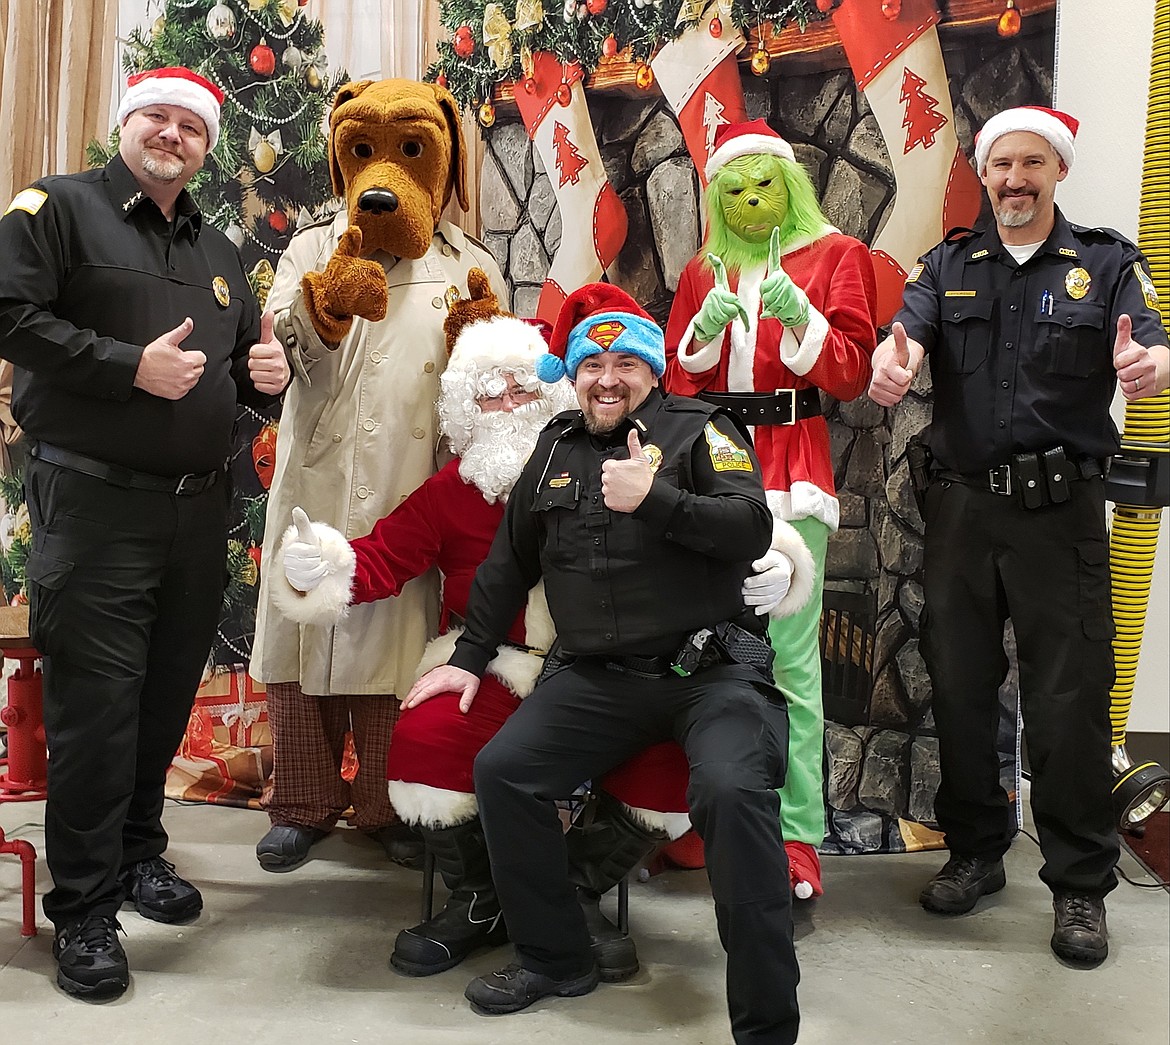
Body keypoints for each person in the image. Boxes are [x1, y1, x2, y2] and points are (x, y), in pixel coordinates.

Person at [273, 273, 812, 985]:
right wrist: (325, 568)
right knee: (449, 742)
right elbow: (442, 559)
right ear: (468, 407)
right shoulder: (491, 476)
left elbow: (745, 520)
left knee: (696, 772)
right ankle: (489, 903)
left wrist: (774, 565)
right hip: (526, 663)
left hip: (657, 668)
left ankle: (574, 889)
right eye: (488, 393)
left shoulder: (676, 434)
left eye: (521, 388)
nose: (507, 405)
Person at [406, 283, 804, 1044]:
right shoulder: (554, 447)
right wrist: (468, 655)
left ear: (652, 372)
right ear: (574, 372)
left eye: (626, 362)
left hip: (709, 674)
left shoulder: (700, 430)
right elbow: (506, 562)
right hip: (597, 677)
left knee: (730, 790)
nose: (608, 377)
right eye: (593, 363)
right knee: (505, 769)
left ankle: (765, 1023)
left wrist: (656, 500)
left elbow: (751, 524)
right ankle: (557, 954)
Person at [0, 66, 290, 999]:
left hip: (196, 510)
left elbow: (232, 377)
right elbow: (9, 312)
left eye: (192, 126)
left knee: (164, 700)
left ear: (207, 143)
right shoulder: (56, 208)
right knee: (95, 712)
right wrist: (128, 367)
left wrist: (267, 377)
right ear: (126, 123)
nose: (173, 135)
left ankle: (135, 856)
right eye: (157, 118)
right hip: (92, 507)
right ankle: (82, 909)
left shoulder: (221, 248)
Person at [867, 105, 1169, 966]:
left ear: (1056, 171)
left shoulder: (1106, 263)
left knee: (1068, 699)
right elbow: (905, 340)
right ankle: (974, 852)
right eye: (1001, 165)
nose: (1014, 180)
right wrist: (894, 366)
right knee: (962, 686)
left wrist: (1151, 367)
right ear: (986, 173)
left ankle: (1079, 885)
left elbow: (1152, 346)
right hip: (961, 510)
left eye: (1031, 163)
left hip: (1061, 514)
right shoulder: (949, 263)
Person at [249, 79, 507, 874]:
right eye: (364, 151)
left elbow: (498, 377)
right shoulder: (309, 247)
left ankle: (386, 803)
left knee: (395, 652)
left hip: (411, 483)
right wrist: (321, 306)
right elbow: (283, 345)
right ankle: (301, 800)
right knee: (304, 634)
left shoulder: (468, 261)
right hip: (318, 476)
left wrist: (484, 340)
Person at [664, 118, 877, 898]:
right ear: (719, 197)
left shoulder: (838, 258)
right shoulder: (701, 269)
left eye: (765, 186)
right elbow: (677, 388)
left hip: (795, 472)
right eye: (736, 190)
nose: (753, 200)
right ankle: (698, 817)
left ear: (790, 188)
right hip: (712, 471)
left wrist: (802, 319)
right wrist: (697, 334)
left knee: (790, 663)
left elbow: (851, 376)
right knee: (698, 650)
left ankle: (795, 841)